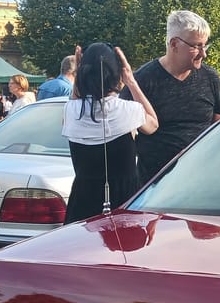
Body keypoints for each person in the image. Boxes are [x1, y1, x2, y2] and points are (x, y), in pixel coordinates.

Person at [120, 9, 220, 187]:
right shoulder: (142, 81)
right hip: (154, 189)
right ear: (174, 44)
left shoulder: (210, 78)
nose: (203, 53)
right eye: (196, 46)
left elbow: (219, 127)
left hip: (201, 183)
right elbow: (123, 132)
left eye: (205, 45)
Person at [62, 42, 159, 223]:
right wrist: (131, 81)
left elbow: (76, 100)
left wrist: (79, 74)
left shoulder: (71, 111)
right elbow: (153, 125)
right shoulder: (129, 110)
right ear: (118, 74)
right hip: (125, 201)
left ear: (82, 73)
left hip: (83, 201)